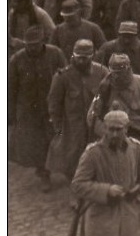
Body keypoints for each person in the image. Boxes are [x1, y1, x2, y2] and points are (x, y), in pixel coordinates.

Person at [88, 52, 140, 190]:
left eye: (120, 72)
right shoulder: (105, 87)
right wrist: (105, 134)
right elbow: (92, 116)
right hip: (115, 135)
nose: (116, 76)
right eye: (114, 72)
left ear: (129, 69)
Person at [9, 26, 67, 192]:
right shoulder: (16, 60)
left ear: (43, 42)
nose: (32, 47)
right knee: (36, 143)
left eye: (35, 44)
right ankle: (44, 174)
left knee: (57, 138)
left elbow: (66, 76)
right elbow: (10, 88)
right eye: (29, 44)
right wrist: (11, 113)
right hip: (28, 108)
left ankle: (67, 170)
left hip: (52, 105)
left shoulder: (55, 53)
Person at [46, 39, 107, 182]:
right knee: (72, 155)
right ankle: (75, 180)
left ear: (92, 56)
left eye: (85, 58)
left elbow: (109, 96)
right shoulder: (63, 76)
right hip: (72, 125)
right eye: (78, 57)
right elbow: (54, 103)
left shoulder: (102, 72)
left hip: (95, 123)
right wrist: (57, 126)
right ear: (73, 55)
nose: (80, 61)